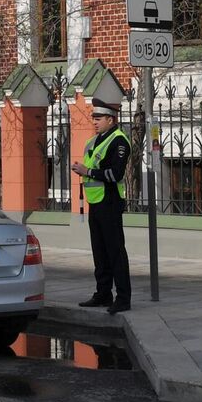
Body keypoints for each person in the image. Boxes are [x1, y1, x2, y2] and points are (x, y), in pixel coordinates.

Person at [71, 100, 132, 314]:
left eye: (98, 119)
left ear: (110, 119)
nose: (95, 122)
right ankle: (103, 293)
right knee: (100, 251)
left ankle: (123, 298)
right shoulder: (93, 141)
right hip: (95, 202)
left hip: (110, 201)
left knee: (115, 251)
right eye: (93, 119)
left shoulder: (119, 142)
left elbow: (115, 174)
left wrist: (87, 171)